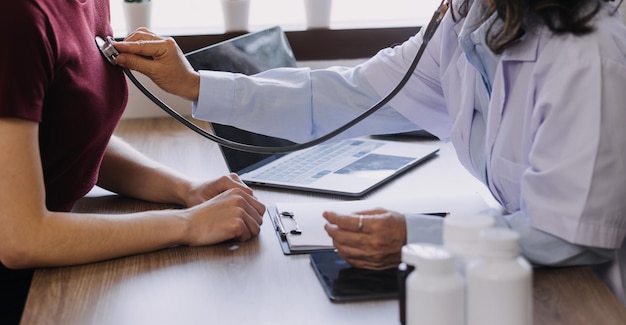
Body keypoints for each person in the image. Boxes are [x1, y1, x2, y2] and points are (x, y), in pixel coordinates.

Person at [114, 0, 626, 304]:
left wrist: (416, 237)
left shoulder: (589, 54)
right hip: (518, 278)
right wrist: (195, 84)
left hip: (592, 295)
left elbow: (570, 235)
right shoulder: (470, 22)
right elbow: (349, 95)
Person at [0, 1, 265, 323]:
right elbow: (21, 239)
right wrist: (189, 224)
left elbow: (66, 135)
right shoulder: (16, 18)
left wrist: (186, 190)